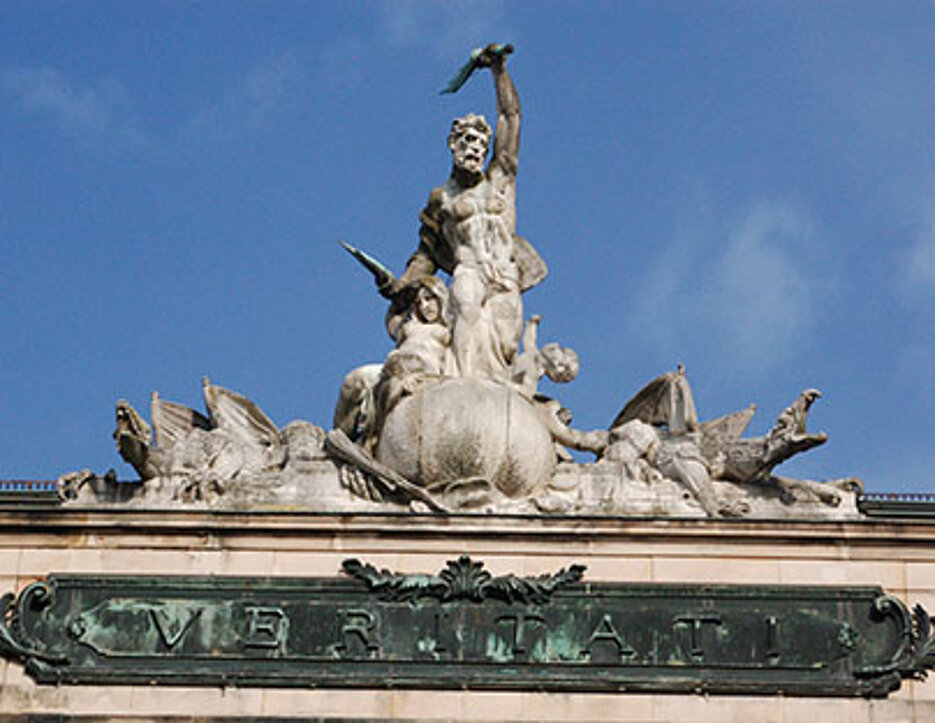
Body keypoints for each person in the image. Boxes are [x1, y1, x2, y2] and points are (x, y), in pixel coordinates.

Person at [383, 44, 546, 380]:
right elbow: (425, 255)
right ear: (452, 145)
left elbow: (511, 117)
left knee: (505, 346)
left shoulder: (501, 178)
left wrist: (498, 71)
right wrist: (401, 283)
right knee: (467, 315)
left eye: (479, 144)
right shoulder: (441, 199)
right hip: (468, 270)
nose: (473, 149)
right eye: (466, 141)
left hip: (504, 273)